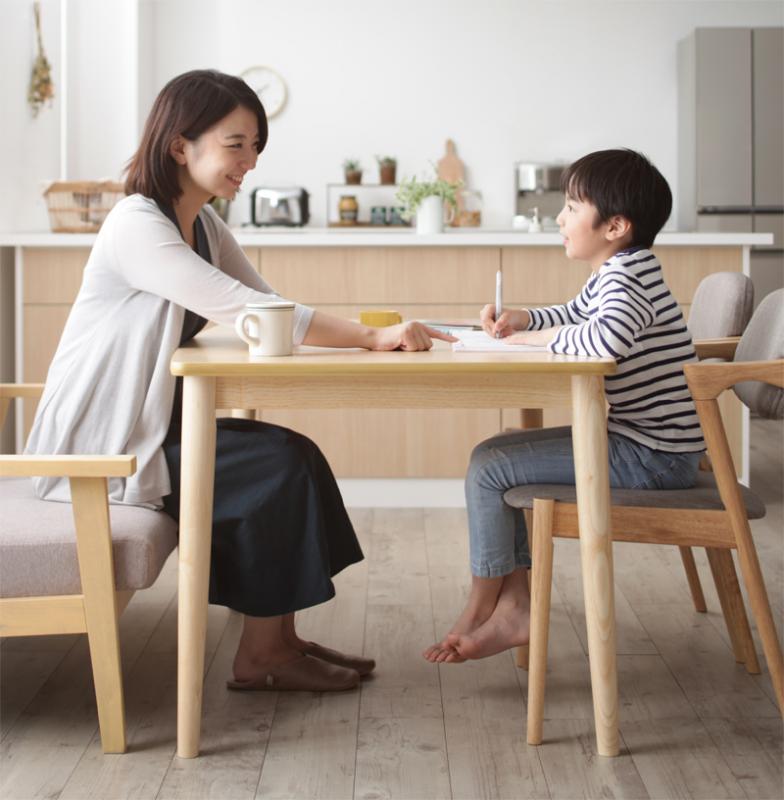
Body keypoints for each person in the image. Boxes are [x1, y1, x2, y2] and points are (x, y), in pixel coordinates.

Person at [25, 69, 455, 693]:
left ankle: (278, 639)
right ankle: (263, 657)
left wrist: (365, 333)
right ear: (180, 144)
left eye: (256, 146)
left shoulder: (202, 225)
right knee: (277, 464)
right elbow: (250, 311)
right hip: (106, 445)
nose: (249, 161)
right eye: (236, 144)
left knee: (286, 455)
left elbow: (266, 301)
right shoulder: (137, 224)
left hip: (153, 425)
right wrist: (370, 336)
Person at [424, 148, 705, 663]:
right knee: (491, 457)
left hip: (652, 458)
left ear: (615, 225)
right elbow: (575, 314)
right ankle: (509, 605)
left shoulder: (628, 277)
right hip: (644, 445)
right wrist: (523, 320)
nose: (560, 217)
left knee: (490, 466)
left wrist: (519, 344)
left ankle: (485, 606)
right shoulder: (620, 270)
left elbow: (603, 342)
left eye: (573, 207)